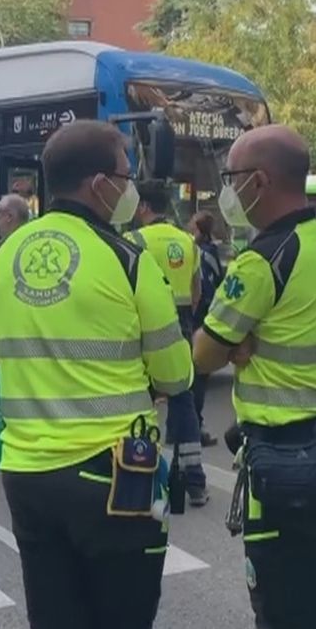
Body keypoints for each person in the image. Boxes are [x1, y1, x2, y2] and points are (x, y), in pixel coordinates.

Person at [0, 119, 195, 629]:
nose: (131, 187)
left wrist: (1, 448)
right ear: (100, 184)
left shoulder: (1, 259)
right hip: (116, 475)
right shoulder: (128, 260)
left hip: (26, 476)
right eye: (126, 176)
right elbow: (176, 374)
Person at [192, 124, 316, 629]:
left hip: (288, 459)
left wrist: (237, 343)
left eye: (232, 178)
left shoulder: (262, 260)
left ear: (260, 181)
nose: (228, 190)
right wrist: (243, 341)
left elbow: (203, 355)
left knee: (283, 609)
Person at [124, 180, 209, 508]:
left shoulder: (134, 241)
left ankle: (140, 480)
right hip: (181, 326)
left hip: (144, 327)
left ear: (144, 206)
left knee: (140, 404)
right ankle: (194, 482)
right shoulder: (188, 241)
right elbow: (196, 291)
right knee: (183, 401)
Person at [189, 210, 225, 448]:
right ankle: (194, 425)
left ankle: (190, 426)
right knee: (197, 376)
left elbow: (205, 286)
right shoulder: (210, 253)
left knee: (193, 376)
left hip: (195, 316)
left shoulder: (198, 252)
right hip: (202, 316)